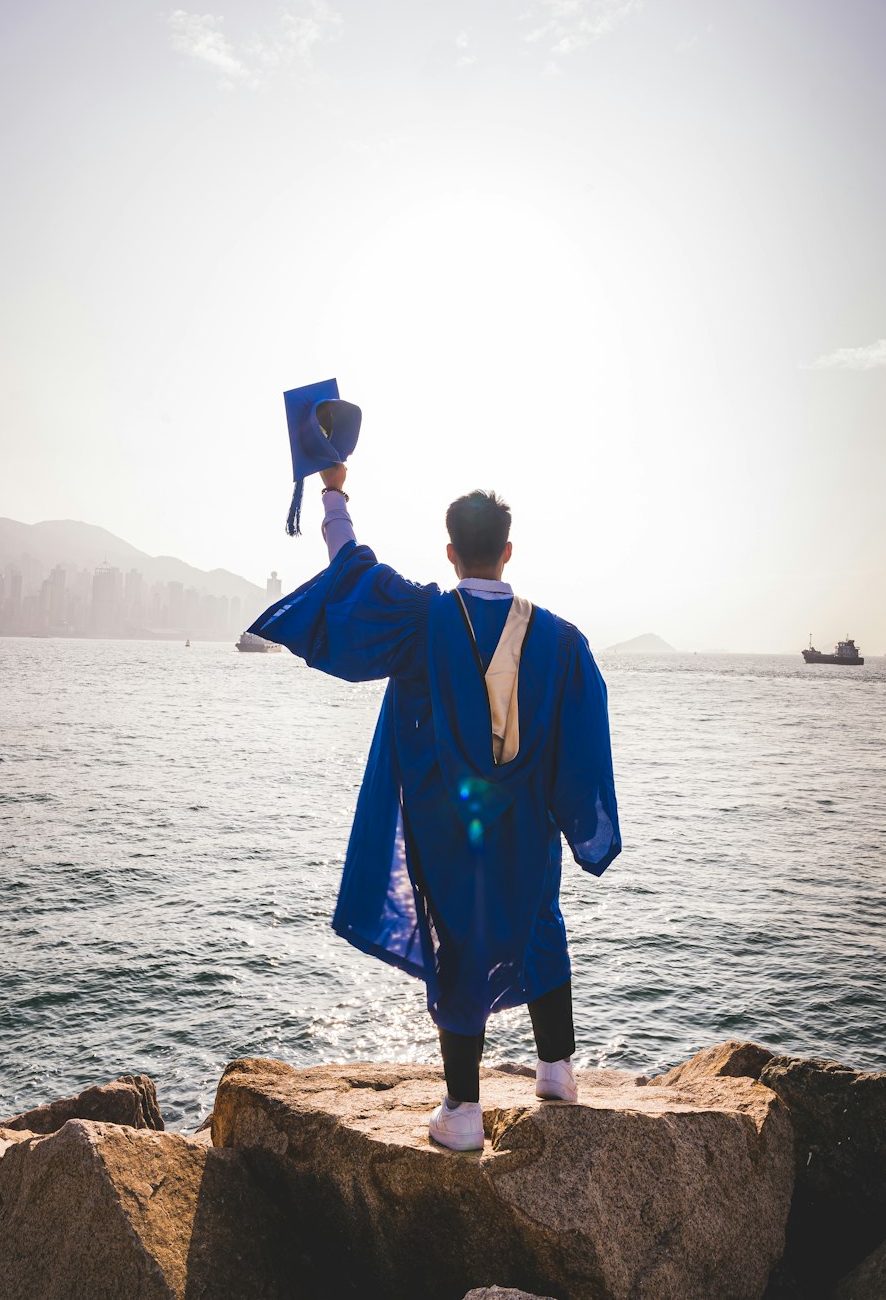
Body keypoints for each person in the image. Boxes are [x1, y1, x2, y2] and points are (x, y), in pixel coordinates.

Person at [249, 467, 620, 1152]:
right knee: (540, 921)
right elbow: (585, 743)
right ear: (509, 551)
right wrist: (580, 822)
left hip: (446, 826)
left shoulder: (424, 619)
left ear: (451, 553)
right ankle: (559, 1071)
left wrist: (334, 488)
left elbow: (350, 572)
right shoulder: (561, 641)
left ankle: (463, 1110)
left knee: (458, 940)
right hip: (527, 826)